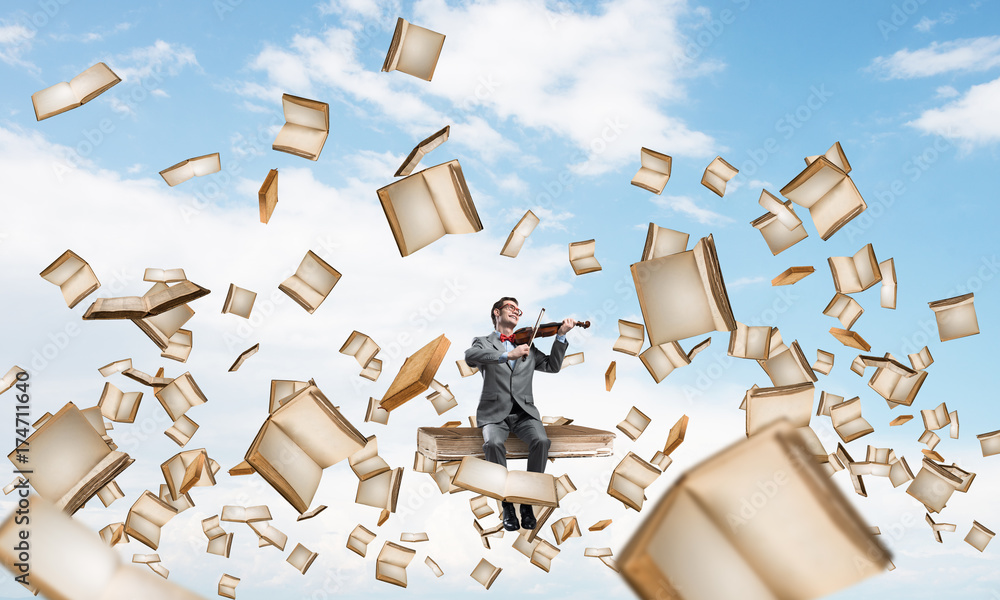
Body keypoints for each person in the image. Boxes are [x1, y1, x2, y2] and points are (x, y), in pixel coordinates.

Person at [464, 297, 577, 531]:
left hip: (524, 412)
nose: (516, 312)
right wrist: (507, 355)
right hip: (495, 413)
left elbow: (553, 366)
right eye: (510, 307)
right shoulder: (483, 342)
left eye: (518, 309)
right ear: (497, 312)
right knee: (493, 444)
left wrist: (561, 335)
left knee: (541, 441)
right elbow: (471, 357)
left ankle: (526, 501)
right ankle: (506, 504)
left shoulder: (530, 345)